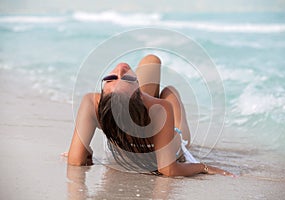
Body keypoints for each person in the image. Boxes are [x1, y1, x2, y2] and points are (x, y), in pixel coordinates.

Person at [67, 54, 234, 177]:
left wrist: (85, 148)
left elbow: (75, 160)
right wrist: (202, 167)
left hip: (129, 133)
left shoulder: (91, 102)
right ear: (138, 92)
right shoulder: (162, 107)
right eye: (123, 78)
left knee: (151, 61)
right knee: (170, 92)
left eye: (112, 78)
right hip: (169, 145)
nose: (120, 68)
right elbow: (168, 169)